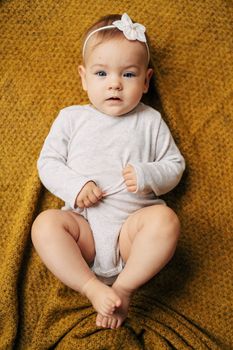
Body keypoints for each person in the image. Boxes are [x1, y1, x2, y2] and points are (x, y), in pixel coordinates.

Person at [31, 13, 185, 329]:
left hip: (132, 233)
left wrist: (148, 175)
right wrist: (76, 186)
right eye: (101, 73)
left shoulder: (150, 121)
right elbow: (48, 163)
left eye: (128, 74)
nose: (114, 83)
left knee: (166, 221)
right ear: (84, 77)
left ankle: (123, 288)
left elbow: (175, 166)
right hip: (83, 229)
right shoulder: (72, 118)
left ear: (146, 81)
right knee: (45, 225)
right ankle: (91, 286)